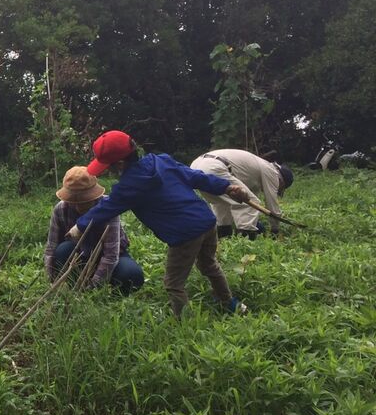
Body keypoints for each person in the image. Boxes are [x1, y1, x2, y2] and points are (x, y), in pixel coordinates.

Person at [67, 130, 251, 318]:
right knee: (209, 265)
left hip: (185, 235)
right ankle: (229, 303)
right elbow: (195, 176)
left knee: (173, 284)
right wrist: (226, 187)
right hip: (207, 221)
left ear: (120, 164)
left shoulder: (128, 187)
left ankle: (185, 323)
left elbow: (106, 208)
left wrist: (79, 225)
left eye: (109, 167)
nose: (108, 170)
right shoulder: (162, 160)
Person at [44, 166, 144, 292]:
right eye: (74, 201)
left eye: (84, 201)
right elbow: (51, 247)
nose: (79, 206)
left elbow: (111, 255)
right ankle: (75, 284)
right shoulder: (60, 209)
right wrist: (51, 279)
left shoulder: (108, 207)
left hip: (110, 256)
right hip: (80, 256)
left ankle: (104, 284)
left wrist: (93, 287)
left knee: (131, 274)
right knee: (63, 250)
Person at [190, 149, 293, 238]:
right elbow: (272, 205)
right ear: (281, 180)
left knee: (222, 203)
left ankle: (225, 237)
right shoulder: (272, 172)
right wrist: (275, 230)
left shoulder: (256, 168)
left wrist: (255, 223)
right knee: (248, 201)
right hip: (214, 167)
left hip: (196, 166)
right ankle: (246, 242)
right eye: (281, 188)